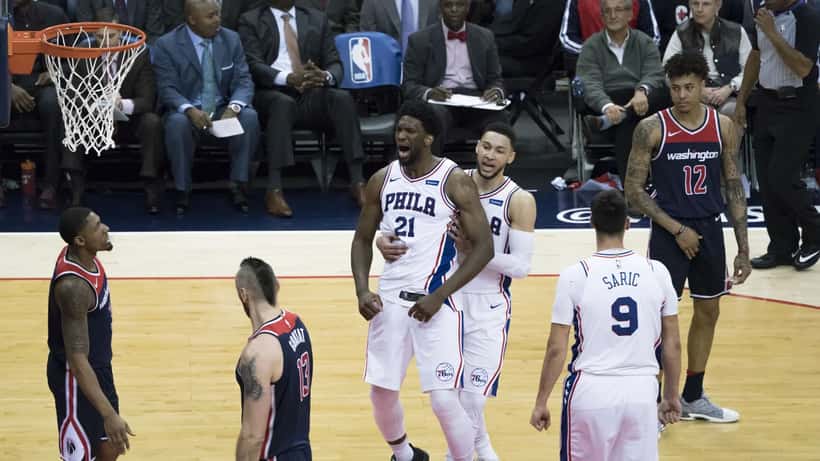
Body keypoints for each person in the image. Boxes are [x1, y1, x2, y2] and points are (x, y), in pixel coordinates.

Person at [376, 122, 536, 461]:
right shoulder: (453, 181)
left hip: (488, 305)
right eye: (486, 147)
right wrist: (381, 237)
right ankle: (465, 454)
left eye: (499, 150)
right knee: (448, 396)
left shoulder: (518, 200)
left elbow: (521, 266)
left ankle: (475, 450)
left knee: (472, 400)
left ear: (511, 157)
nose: (490, 156)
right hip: (447, 298)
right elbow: (409, 222)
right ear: (477, 147)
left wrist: (473, 252)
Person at [350, 100, 493, 461]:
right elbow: (362, 239)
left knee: (444, 399)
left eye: (410, 130)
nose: (401, 135)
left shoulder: (453, 180)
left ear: (428, 138)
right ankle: (404, 455)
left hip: (436, 301)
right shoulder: (382, 179)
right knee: (381, 393)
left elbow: (484, 249)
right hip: (391, 300)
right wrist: (362, 289)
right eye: (399, 129)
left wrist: (440, 296)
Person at [625, 51, 751, 422]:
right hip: (669, 231)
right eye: (676, 88)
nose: (682, 95)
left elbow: (733, 188)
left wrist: (743, 249)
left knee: (709, 309)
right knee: (660, 318)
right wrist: (677, 230)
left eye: (689, 87)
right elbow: (633, 190)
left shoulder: (723, 126)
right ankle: (655, 402)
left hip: (710, 228)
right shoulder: (651, 128)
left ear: (702, 86)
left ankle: (693, 395)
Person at [529, 190, 682, 461]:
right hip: (642, 391)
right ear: (627, 223)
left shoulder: (575, 275)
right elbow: (673, 344)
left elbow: (556, 348)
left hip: (592, 390)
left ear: (592, 222)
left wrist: (541, 400)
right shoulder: (657, 272)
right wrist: (669, 395)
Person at [238, 0, 367, 217]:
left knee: (342, 98)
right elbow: (253, 64)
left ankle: (357, 181)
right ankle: (274, 189)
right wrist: (287, 78)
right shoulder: (250, 20)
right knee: (282, 104)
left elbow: (335, 63)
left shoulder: (317, 18)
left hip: (310, 93)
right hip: (271, 93)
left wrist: (324, 76)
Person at [734, 0, 820, 271]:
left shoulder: (808, 16)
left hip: (798, 104)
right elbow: (757, 56)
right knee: (767, 183)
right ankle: (782, 247)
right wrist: (741, 101)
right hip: (767, 102)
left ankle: (815, 232)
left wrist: (772, 32)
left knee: (783, 176)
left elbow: (803, 67)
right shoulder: (762, 13)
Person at [153, 0, 260, 215]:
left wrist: (235, 107)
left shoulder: (231, 39)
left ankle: (238, 184)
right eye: (210, 16)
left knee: (249, 117)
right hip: (188, 111)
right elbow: (167, 89)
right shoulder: (167, 44)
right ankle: (182, 188)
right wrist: (189, 110)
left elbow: (244, 81)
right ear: (192, 20)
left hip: (222, 108)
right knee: (176, 122)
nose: (218, 20)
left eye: (217, 14)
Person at [47, 207, 134, 461]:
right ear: (80, 240)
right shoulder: (73, 287)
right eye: (97, 227)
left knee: (111, 447)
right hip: (74, 379)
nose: (105, 228)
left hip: (98, 369)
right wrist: (108, 414)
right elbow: (76, 360)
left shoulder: (85, 256)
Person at [65, 10, 165, 213]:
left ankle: (150, 185)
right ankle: (75, 186)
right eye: (100, 37)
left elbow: (147, 101)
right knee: (71, 116)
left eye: (111, 36)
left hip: (130, 119)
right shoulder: (83, 51)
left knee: (151, 121)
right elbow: (73, 95)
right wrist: (99, 105)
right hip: (93, 119)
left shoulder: (139, 53)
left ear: (121, 34)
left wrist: (121, 105)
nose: (105, 42)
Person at [402, 0, 508, 155]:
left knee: (500, 119)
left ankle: (494, 176)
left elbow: (496, 79)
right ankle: (430, 173)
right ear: (440, 7)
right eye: (448, 5)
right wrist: (430, 92)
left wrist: (496, 91)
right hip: (442, 99)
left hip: (477, 101)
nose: (454, 9)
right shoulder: (419, 40)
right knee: (433, 116)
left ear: (468, 7)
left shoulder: (485, 36)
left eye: (459, 5)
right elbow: (408, 85)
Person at [576, 0, 667, 179]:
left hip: (644, 101)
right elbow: (589, 82)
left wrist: (641, 90)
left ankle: (631, 189)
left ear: (630, 14)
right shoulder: (591, 46)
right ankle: (634, 187)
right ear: (601, 17)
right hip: (611, 100)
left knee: (665, 93)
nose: (613, 15)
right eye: (607, 11)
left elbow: (654, 73)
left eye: (618, 10)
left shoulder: (644, 42)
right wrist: (607, 106)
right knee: (628, 123)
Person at [234, 257, 313, 461]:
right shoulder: (297, 324)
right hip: (302, 452)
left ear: (243, 294)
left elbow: (253, 436)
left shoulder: (258, 353)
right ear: (276, 286)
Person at [6, 0, 69, 209]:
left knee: (53, 103)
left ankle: (51, 185)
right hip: (5, 83)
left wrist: (55, 73)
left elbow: (71, 59)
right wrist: (7, 87)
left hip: (41, 83)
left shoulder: (54, 15)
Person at [663, 0, 752, 118]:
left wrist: (730, 87)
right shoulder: (681, 32)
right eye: (695, 4)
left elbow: (750, 70)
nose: (699, 9)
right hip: (693, 96)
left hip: (730, 94)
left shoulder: (736, 31)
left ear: (717, 6)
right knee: (701, 113)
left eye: (706, 4)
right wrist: (697, 91)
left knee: (732, 110)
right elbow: (667, 71)